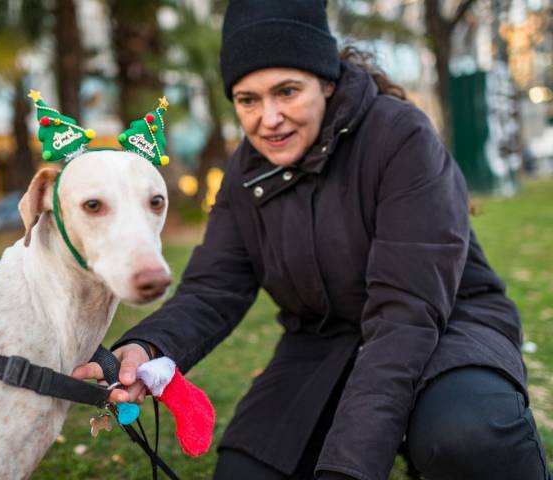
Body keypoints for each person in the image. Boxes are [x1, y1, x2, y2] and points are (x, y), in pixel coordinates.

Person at [73, 1, 552, 478]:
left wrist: (349, 468)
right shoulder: (245, 171)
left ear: (326, 81)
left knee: (465, 436)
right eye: (248, 100)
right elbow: (213, 288)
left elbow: (405, 313)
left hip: (444, 325)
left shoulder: (399, 136)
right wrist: (147, 348)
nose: (269, 118)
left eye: (287, 91)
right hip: (323, 343)